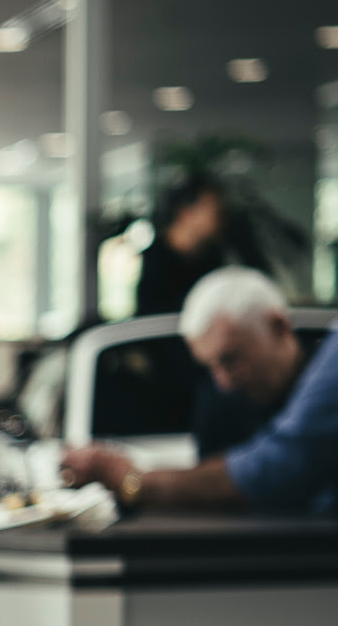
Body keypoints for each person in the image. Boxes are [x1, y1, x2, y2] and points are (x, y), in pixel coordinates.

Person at [64, 264, 338, 516]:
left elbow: (274, 470)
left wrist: (132, 481)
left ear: (277, 326)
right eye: (211, 367)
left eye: (232, 359)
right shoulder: (218, 401)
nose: (224, 383)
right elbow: (214, 504)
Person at [133, 173, 226, 319]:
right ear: (186, 213)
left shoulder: (212, 257)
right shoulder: (155, 260)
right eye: (212, 210)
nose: (218, 217)